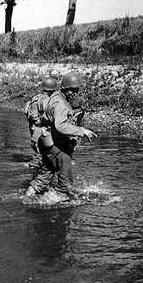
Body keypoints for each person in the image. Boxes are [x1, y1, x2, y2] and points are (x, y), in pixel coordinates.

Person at [25, 72, 97, 203]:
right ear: (64, 89)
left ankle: (27, 196)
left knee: (47, 171)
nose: (74, 93)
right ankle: (59, 197)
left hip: (46, 140)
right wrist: (81, 131)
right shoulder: (60, 103)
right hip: (53, 143)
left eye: (76, 90)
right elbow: (61, 126)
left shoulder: (57, 97)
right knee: (65, 170)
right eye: (72, 90)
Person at [24, 76, 58, 168]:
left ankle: (41, 162)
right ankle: (39, 163)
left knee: (39, 147)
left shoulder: (36, 98)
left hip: (35, 127)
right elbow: (37, 118)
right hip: (40, 127)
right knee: (42, 148)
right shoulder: (46, 99)